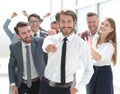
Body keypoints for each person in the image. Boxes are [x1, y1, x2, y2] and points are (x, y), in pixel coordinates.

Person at [41, 9, 94, 94]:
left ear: (74, 22)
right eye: (63, 21)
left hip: (66, 89)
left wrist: (77, 88)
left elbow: (89, 69)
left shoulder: (82, 45)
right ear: (58, 23)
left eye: (69, 21)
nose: (66, 25)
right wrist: (48, 47)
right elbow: (45, 46)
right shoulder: (50, 39)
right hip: (45, 87)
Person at [8, 21, 46, 94]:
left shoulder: (40, 42)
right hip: (21, 84)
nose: (28, 35)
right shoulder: (14, 47)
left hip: (38, 83)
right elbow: (11, 66)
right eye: (24, 33)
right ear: (18, 36)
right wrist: (13, 85)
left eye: (28, 31)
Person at [85, 17, 117, 94]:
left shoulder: (110, 46)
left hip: (103, 73)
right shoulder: (95, 38)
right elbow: (91, 56)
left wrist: (89, 47)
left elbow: (98, 58)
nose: (103, 26)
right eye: (102, 24)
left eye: (106, 25)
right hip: (92, 71)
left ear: (111, 29)